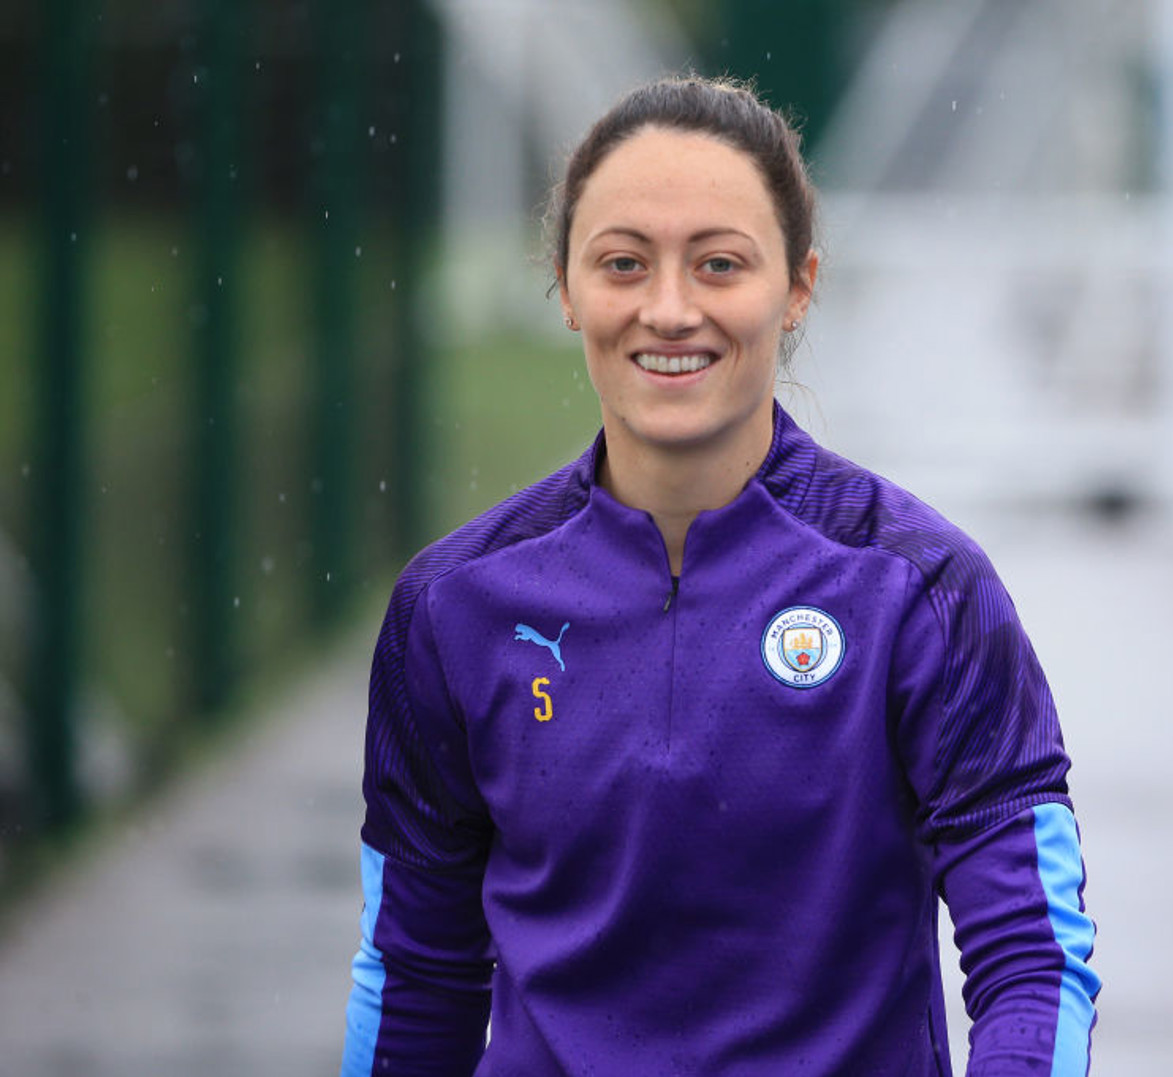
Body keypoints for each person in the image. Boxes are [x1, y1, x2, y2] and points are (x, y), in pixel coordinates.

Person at [341, 74, 1099, 1077]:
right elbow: (415, 975)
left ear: (798, 286)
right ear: (566, 287)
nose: (669, 309)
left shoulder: (920, 589)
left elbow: (1032, 958)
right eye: (623, 263)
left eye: (719, 264)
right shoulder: (456, 607)